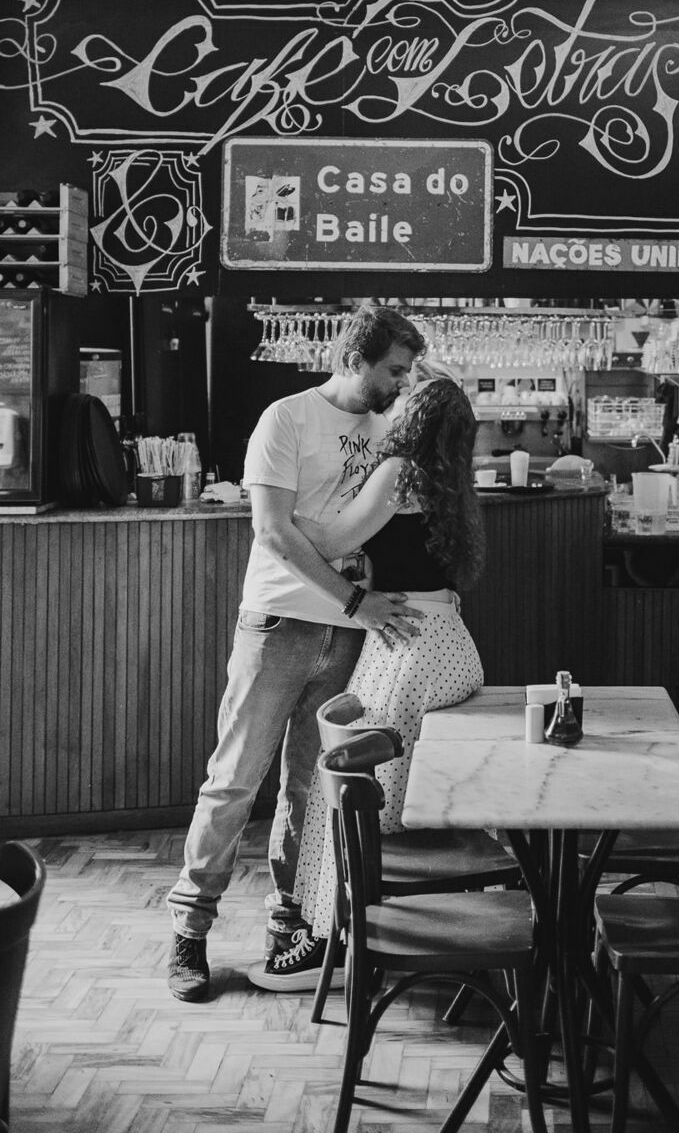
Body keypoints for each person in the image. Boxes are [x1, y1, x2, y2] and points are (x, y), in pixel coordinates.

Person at [165, 303, 427, 1003]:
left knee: (310, 789)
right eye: (393, 370)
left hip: (346, 633)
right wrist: (351, 595)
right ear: (355, 360)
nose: (401, 384)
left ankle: (292, 923)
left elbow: (354, 527)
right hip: (280, 622)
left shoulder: (388, 428)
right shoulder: (286, 418)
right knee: (234, 780)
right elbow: (274, 533)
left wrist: (347, 566)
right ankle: (189, 930)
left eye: (407, 373)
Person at [246, 374, 487, 991]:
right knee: (414, 796)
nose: (397, 392)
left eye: (409, 391)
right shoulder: (448, 479)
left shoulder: (400, 470)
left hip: (403, 647)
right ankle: (430, 925)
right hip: (448, 641)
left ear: (417, 414)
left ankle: (338, 938)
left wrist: (276, 505)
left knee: (361, 799)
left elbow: (327, 540)